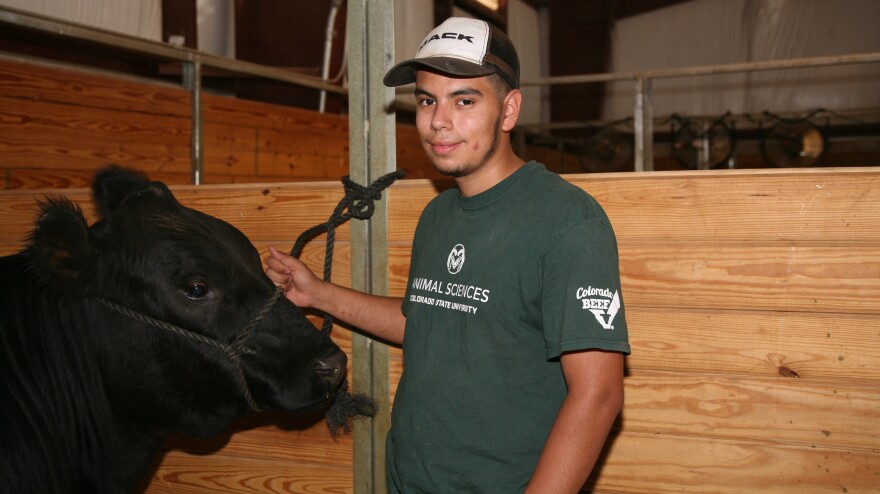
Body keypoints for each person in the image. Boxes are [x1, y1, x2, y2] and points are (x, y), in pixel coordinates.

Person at [266, 16, 630, 493]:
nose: (439, 120)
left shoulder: (568, 220)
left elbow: (599, 393)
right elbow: (429, 322)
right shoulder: (437, 215)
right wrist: (318, 294)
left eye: (464, 100)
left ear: (509, 109)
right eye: (426, 100)